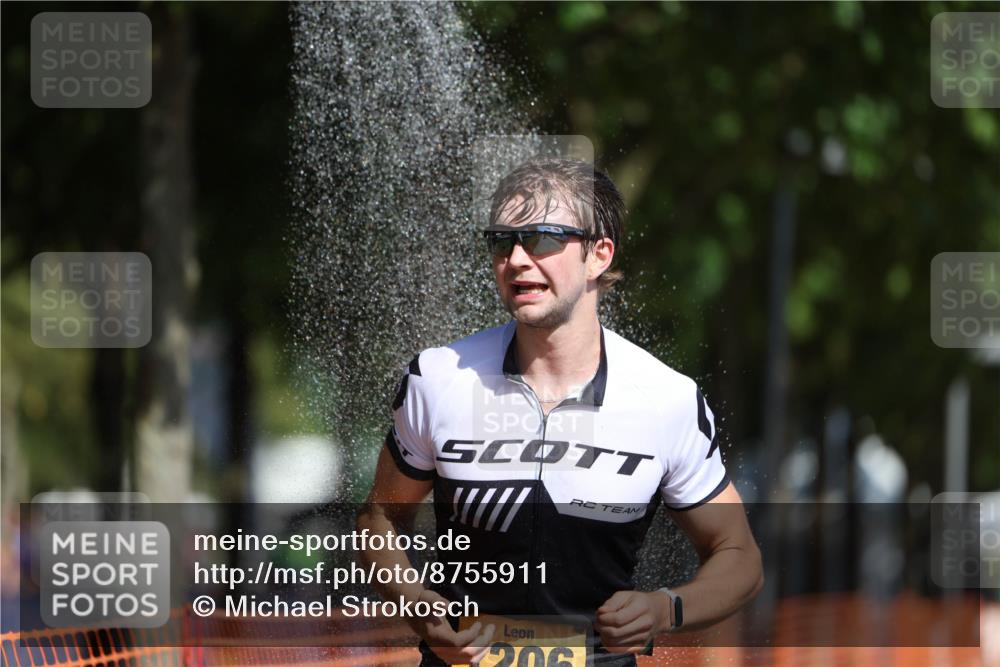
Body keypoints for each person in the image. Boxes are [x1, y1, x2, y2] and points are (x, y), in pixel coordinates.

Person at [357, 158, 763, 666]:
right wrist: (414, 602)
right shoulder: (438, 378)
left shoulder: (666, 399)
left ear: (599, 254)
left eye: (543, 238)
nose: (518, 259)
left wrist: (665, 609)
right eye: (503, 241)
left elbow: (740, 556)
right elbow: (379, 519)